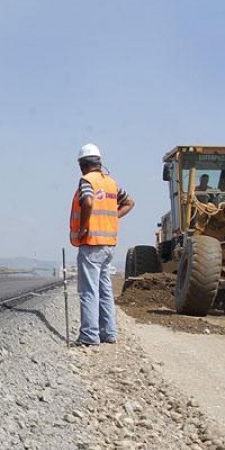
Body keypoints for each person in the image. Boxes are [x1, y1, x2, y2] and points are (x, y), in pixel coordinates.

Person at [69, 143, 135, 346]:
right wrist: (113, 218)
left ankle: (89, 335)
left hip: (91, 243)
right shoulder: (111, 183)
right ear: (100, 162)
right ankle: (109, 333)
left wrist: (84, 227)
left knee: (89, 290)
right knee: (105, 289)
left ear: (82, 165)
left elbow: (87, 202)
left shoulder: (87, 180)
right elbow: (129, 202)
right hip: (109, 244)